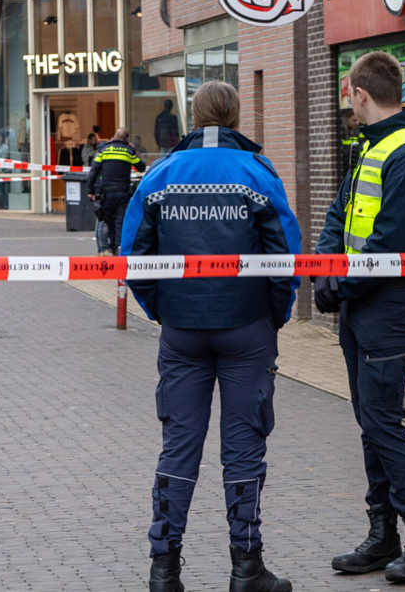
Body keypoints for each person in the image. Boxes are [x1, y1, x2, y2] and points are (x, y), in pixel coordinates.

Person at [120, 80, 300, 592]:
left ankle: (164, 570)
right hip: (247, 328)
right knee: (243, 450)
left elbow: (133, 256)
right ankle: (247, 569)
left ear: (192, 118)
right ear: (236, 116)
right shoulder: (257, 173)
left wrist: (162, 308)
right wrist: (275, 315)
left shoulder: (161, 175)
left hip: (182, 332)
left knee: (179, 446)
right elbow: (285, 253)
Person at [314, 51, 405, 583]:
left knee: (382, 422)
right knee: (370, 422)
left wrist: (336, 285)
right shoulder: (371, 148)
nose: (348, 104)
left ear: (359, 94)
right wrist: (325, 275)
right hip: (361, 302)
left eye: (348, 96)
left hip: (390, 303)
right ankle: (382, 535)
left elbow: (389, 242)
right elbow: (336, 216)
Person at [88, 128, 146, 255]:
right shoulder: (129, 151)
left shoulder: (103, 150)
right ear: (127, 139)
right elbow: (141, 168)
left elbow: (93, 171)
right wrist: (134, 152)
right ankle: (118, 249)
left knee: (106, 221)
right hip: (122, 193)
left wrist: (91, 190)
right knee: (120, 222)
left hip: (106, 193)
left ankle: (105, 249)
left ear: (114, 137)